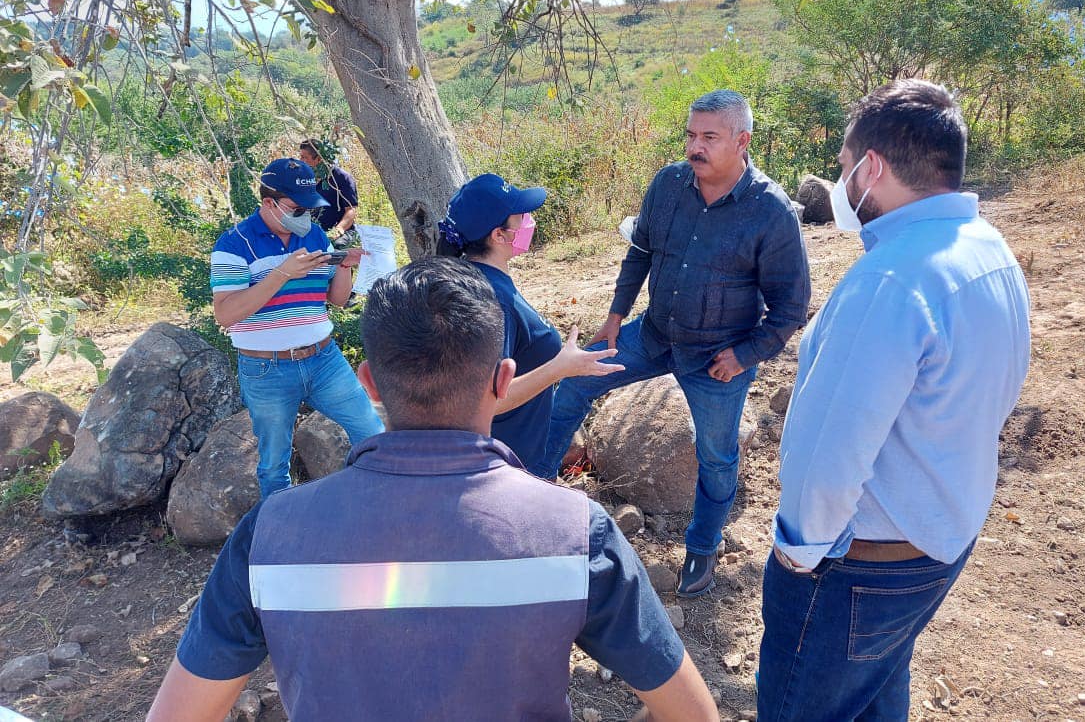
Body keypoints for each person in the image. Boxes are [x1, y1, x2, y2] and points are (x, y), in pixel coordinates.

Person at [146, 257, 720, 722]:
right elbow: (693, 714)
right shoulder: (575, 532)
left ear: (369, 384)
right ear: (502, 381)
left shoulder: (269, 535)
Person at [757, 80, 1031, 721]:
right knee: (876, 690)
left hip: (859, 568)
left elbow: (828, 453)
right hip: (940, 538)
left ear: (871, 168)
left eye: (844, 165)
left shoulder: (891, 278)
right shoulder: (987, 249)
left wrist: (798, 559)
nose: (840, 182)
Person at [536, 90, 812, 598]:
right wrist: (615, 318)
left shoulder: (770, 211)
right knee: (571, 385)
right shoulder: (668, 184)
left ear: (741, 141)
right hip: (654, 334)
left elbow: (792, 306)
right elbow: (640, 252)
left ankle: (702, 547)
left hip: (717, 359)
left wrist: (745, 355)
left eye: (709, 137)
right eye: (691, 134)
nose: (695, 146)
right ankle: (533, 499)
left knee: (717, 455)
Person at [210, 157, 383, 499]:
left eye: (309, 208)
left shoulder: (316, 235)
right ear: (268, 203)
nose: (305, 215)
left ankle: (378, 508)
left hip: (324, 360)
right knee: (274, 463)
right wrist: (282, 273)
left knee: (372, 432)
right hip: (266, 367)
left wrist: (344, 266)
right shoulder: (234, 244)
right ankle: (276, 533)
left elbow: (336, 298)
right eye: (296, 208)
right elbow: (226, 314)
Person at [436, 173, 625, 469]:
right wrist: (560, 368)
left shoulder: (478, 278)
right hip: (504, 465)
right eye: (521, 216)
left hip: (513, 456)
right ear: (499, 235)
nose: (529, 221)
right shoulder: (491, 298)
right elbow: (486, 400)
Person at [298, 138, 359, 248]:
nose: (301, 161)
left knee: (336, 246)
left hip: (338, 232)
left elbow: (351, 210)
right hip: (311, 231)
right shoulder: (304, 179)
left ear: (319, 159)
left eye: (304, 157)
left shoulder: (342, 178)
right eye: (300, 157)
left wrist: (339, 229)